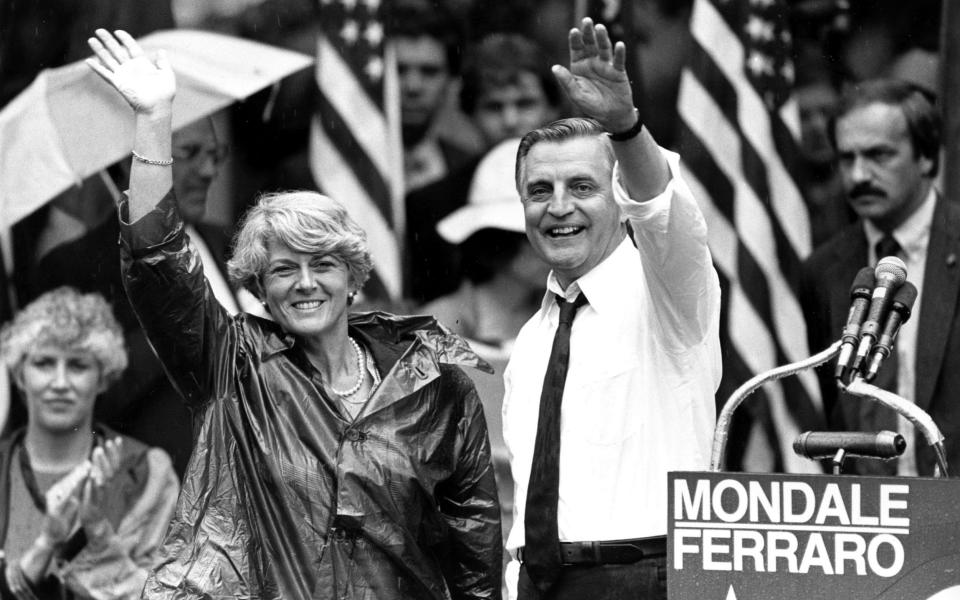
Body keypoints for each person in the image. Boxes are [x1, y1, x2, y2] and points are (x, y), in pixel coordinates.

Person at [85, 28, 502, 599]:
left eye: (323, 263)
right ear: (259, 286)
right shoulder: (234, 366)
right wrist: (154, 118)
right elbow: (156, 255)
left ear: (354, 277)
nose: (305, 282)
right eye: (283, 270)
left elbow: (474, 543)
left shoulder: (433, 383)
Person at [502, 18, 721, 600]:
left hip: (651, 575)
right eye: (539, 191)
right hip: (539, 581)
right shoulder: (533, 336)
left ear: (618, 198)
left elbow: (660, 208)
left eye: (582, 186)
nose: (559, 207)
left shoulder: (668, 290)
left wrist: (625, 127)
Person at [22, 116, 260, 476]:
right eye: (190, 153)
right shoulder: (78, 265)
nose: (209, 169)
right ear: (133, 160)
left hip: (259, 475)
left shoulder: (232, 244)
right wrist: (175, 326)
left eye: (216, 153)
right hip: (155, 488)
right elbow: (77, 399)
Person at [800, 78, 956, 477]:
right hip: (868, 520)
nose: (858, 176)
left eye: (878, 155)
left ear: (925, 157)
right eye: (846, 159)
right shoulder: (824, 270)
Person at [0, 286, 179, 599]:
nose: (59, 383)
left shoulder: (147, 473)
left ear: (104, 377)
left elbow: (164, 593)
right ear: (18, 375)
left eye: (78, 365)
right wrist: (48, 542)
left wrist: (95, 531)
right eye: (43, 363)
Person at [406, 33, 563, 303]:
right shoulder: (430, 205)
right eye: (494, 107)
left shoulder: (590, 185)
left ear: (552, 108)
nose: (510, 120)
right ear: (470, 114)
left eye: (525, 103)